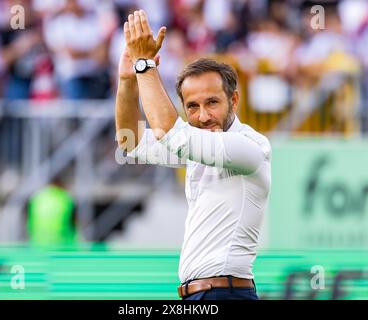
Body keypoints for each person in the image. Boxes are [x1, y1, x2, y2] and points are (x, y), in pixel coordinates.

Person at [115, 10, 271, 300]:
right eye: (192, 106)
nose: (203, 116)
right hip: (206, 294)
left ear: (234, 100)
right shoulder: (198, 148)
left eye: (212, 102)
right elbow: (129, 140)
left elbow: (170, 132)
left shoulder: (251, 146)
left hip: (224, 292)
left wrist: (145, 65)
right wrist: (127, 81)